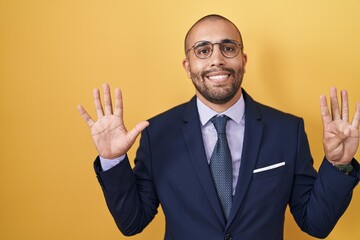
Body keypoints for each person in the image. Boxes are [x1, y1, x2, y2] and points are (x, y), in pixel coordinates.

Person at [77, 14, 360, 240]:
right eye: (203, 50)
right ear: (187, 66)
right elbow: (132, 222)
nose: (217, 59)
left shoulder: (287, 130)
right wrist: (112, 160)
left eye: (228, 48)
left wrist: (339, 164)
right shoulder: (157, 134)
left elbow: (315, 224)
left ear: (243, 60)